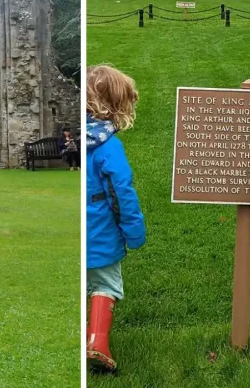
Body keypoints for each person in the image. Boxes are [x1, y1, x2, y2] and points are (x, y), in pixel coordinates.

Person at [85, 64, 146, 372]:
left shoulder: (76, 139)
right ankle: (96, 342)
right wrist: (134, 232)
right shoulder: (108, 147)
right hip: (100, 233)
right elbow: (121, 192)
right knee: (105, 284)